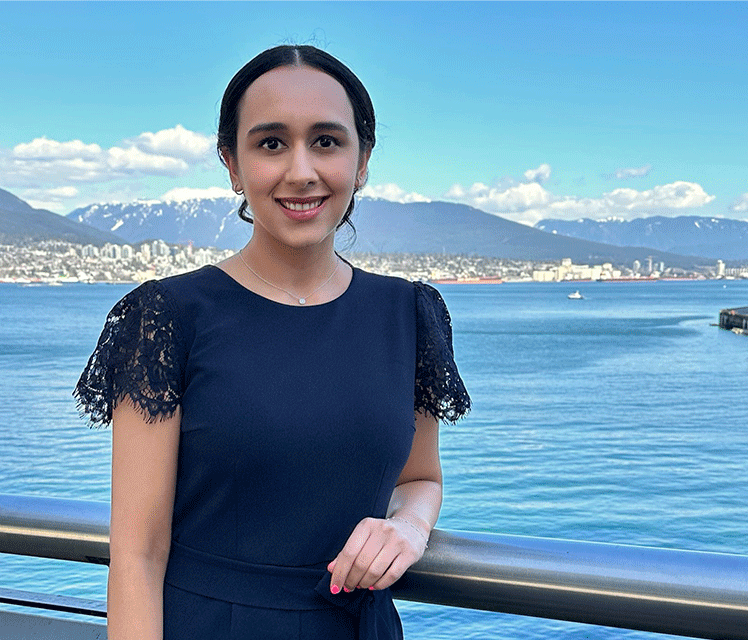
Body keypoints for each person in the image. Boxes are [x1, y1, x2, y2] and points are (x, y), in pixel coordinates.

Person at [75, 45, 470, 640]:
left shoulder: (409, 314)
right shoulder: (165, 317)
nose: (302, 171)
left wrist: (408, 528)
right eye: (271, 143)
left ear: (362, 161)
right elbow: (138, 552)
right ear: (232, 165)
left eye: (327, 141)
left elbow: (420, 479)